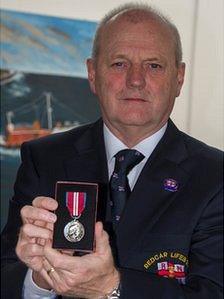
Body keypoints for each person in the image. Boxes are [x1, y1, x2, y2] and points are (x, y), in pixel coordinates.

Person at [1, 3, 223, 299]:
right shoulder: (43, 159)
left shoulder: (214, 176)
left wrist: (112, 288)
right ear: (92, 74)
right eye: (119, 63)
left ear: (179, 78)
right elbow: (6, 279)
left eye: (153, 65)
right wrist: (39, 278)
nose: (135, 79)